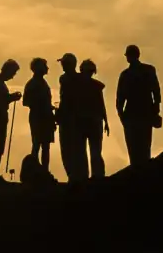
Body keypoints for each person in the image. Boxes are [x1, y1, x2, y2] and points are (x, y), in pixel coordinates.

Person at [115, 44, 162, 166]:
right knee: (144, 146)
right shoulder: (148, 70)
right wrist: (156, 110)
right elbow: (156, 92)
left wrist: (122, 115)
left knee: (135, 147)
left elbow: (120, 99)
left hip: (134, 114)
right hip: (143, 113)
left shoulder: (126, 75)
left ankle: (138, 172)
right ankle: (142, 171)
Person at [55, 53, 89, 182]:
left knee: (68, 148)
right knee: (79, 148)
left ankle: (73, 176)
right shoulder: (81, 79)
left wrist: (59, 113)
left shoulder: (64, 79)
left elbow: (65, 99)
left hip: (68, 118)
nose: (62, 66)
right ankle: (81, 176)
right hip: (78, 118)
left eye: (63, 63)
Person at [23, 57, 57, 177]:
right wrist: (41, 105)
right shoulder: (32, 84)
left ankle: (44, 171)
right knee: (37, 144)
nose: (47, 68)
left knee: (45, 145)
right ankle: (36, 172)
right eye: (45, 66)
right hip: (38, 117)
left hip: (45, 116)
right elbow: (26, 101)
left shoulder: (41, 83)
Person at [78, 59, 109, 179]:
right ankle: (92, 175)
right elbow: (101, 104)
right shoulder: (95, 86)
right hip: (90, 121)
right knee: (91, 151)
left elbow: (101, 104)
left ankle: (95, 175)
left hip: (92, 121)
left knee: (93, 151)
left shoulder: (93, 86)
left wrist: (106, 121)